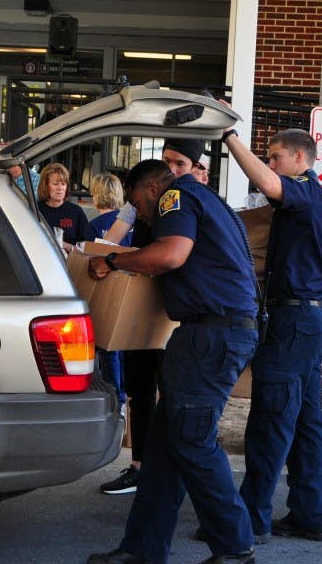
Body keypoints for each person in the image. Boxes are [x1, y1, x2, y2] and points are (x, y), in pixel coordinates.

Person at [87, 158, 258, 564]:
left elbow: (171, 255)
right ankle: (142, 549)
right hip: (209, 332)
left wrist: (113, 260)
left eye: (137, 204)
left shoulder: (175, 197)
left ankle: (236, 547)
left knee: (193, 441)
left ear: (150, 189)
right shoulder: (207, 199)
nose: (140, 215)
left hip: (211, 335)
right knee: (164, 448)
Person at [223, 126, 322, 544]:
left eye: (275, 156)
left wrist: (230, 136)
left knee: (269, 422)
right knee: (307, 423)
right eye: (269, 156)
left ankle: (249, 522)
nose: (270, 163)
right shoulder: (321, 206)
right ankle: (310, 515)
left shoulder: (304, 191)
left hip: (292, 325)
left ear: (300, 159)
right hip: (310, 322)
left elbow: (266, 182)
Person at [99, 137, 205, 496]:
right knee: (139, 390)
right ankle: (139, 466)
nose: (171, 173)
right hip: (140, 307)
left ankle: (176, 473)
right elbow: (114, 241)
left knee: (176, 394)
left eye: (181, 166)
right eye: (167, 163)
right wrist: (100, 255)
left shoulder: (190, 203)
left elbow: (175, 256)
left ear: (196, 171)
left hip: (177, 312)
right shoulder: (139, 201)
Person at [89, 172, 129, 409]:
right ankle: (125, 393)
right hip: (131, 289)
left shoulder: (94, 225)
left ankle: (115, 397)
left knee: (108, 348)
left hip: (106, 292)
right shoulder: (129, 223)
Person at [38, 162, 95, 252]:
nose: (60, 188)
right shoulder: (36, 210)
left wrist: (64, 245)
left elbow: (85, 248)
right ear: (45, 186)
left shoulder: (76, 212)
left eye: (63, 184)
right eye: (55, 184)